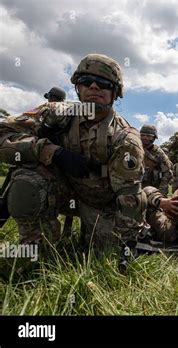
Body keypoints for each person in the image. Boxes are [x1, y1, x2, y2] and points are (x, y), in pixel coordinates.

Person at [0, 54, 147, 271]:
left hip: (100, 202)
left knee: (102, 253)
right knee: (27, 179)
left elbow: (129, 197)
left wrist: (127, 244)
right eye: (87, 81)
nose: (94, 87)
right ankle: (35, 247)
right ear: (77, 87)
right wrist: (51, 152)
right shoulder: (55, 114)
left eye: (104, 84)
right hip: (61, 189)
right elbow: (3, 136)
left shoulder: (125, 139)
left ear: (115, 93)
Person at [139, 124, 173, 195]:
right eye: (142, 135)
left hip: (152, 190)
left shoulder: (158, 153)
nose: (144, 138)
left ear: (154, 138)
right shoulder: (134, 149)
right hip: (135, 188)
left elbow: (167, 173)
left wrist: (161, 192)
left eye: (148, 136)